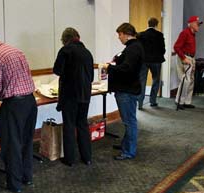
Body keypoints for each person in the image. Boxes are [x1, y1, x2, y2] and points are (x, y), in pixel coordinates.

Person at [0, 32, 37, 193]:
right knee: (26, 141)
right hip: (30, 102)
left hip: (14, 105)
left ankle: (14, 184)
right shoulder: (17, 51)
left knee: (12, 145)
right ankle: (27, 177)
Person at [53, 27, 94, 167]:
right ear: (78, 37)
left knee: (69, 125)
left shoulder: (65, 51)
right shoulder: (87, 53)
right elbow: (91, 77)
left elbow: (57, 70)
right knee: (82, 124)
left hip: (70, 94)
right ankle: (87, 157)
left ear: (65, 40)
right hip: (85, 93)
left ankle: (70, 159)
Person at [103, 23, 144, 160]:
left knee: (129, 121)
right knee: (129, 120)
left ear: (126, 34)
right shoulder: (132, 47)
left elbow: (127, 69)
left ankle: (129, 151)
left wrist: (109, 68)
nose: (119, 38)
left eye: (120, 34)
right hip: (128, 89)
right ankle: (126, 145)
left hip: (127, 90)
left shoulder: (133, 49)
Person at [174, 16, 202, 110]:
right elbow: (176, 47)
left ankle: (187, 101)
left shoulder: (192, 34)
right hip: (185, 58)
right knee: (185, 80)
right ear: (191, 24)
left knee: (191, 81)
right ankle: (179, 101)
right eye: (197, 24)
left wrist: (192, 59)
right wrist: (184, 58)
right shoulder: (184, 33)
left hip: (191, 58)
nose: (198, 26)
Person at [137, 17, 166, 109]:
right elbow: (163, 49)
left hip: (144, 61)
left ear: (148, 24)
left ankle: (140, 103)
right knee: (156, 80)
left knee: (142, 81)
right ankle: (152, 101)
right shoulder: (159, 35)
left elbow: (138, 48)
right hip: (156, 61)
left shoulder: (141, 34)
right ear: (156, 25)